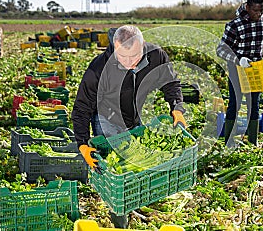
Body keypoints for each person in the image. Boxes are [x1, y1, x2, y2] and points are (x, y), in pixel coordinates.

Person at [71, 25, 186, 228]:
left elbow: (170, 82)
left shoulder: (155, 56)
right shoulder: (98, 69)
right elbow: (81, 109)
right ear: (115, 48)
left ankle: (134, 201)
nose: (128, 62)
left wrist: (176, 107)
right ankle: (120, 221)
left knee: (137, 163)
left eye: (134, 56)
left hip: (135, 117)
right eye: (122, 57)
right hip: (106, 117)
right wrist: (82, 144)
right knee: (115, 173)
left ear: (142, 46)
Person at [216, 0, 263, 147]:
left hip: (256, 69)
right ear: (247, 7)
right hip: (237, 70)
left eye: (260, 10)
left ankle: (253, 143)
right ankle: (229, 142)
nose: (258, 14)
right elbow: (221, 50)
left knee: (254, 105)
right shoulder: (234, 25)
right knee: (235, 104)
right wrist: (238, 59)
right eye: (255, 10)